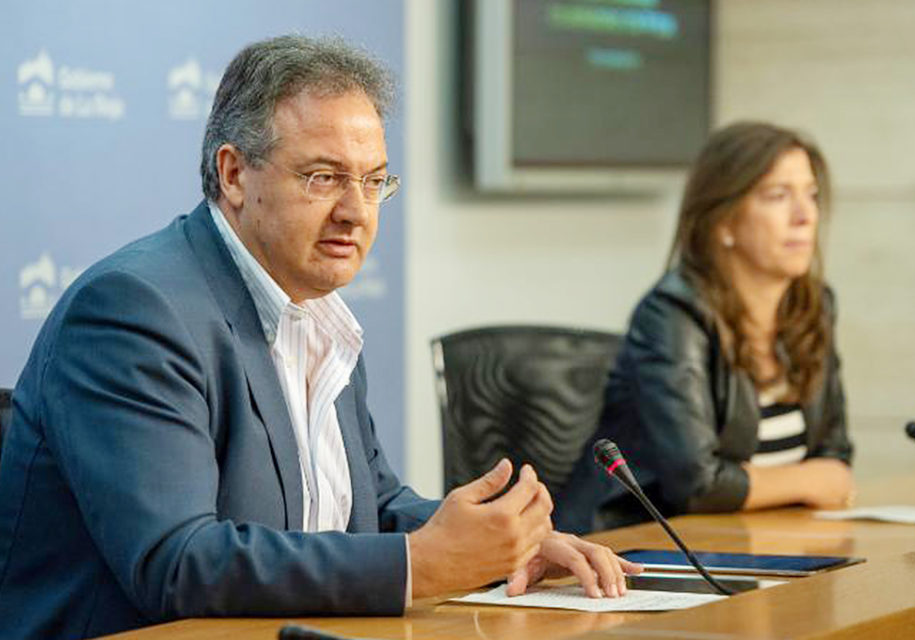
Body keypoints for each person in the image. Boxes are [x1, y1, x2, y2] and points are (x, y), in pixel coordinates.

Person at [0, 35, 637, 640]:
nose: (356, 212)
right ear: (234, 175)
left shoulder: (316, 309)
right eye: (324, 178)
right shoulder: (135, 311)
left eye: (373, 180)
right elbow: (179, 561)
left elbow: (371, 508)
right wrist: (421, 564)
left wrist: (501, 545)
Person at [556, 122, 855, 534]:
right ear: (723, 222)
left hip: (762, 540)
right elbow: (698, 484)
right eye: (778, 196)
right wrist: (808, 481)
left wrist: (787, 481)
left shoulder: (814, 307)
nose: (805, 216)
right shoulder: (671, 314)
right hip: (640, 547)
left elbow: (835, 455)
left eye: (812, 195)